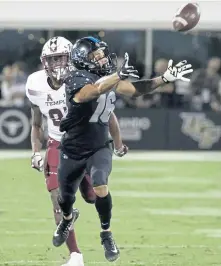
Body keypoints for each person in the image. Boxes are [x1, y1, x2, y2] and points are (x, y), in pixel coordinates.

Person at [52, 36, 193, 262]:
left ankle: (106, 234)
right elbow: (91, 92)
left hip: (99, 146)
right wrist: (117, 75)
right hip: (72, 147)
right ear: (82, 60)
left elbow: (136, 90)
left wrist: (165, 78)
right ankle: (68, 219)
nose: (101, 60)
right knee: (65, 198)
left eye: (102, 55)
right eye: (95, 57)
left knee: (100, 183)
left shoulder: (110, 79)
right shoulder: (75, 78)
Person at [26, 36, 127, 266]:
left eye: (61, 58)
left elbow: (107, 113)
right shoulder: (35, 83)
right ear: (44, 62)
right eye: (52, 60)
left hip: (85, 143)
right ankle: (75, 255)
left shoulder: (84, 78)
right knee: (56, 195)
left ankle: (90, 223)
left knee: (92, 196)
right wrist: (35, 151)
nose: (57, 64)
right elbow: (36, 123)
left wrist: (118, 144)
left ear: (72, 57)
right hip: (57, 142)